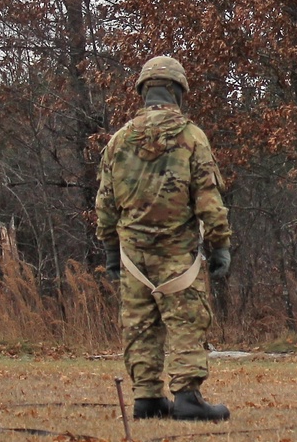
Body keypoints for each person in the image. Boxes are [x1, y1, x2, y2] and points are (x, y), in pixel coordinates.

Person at [95, 56, 232, 422]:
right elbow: (208, 197)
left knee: (140, 323)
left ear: (143, 91)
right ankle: (187, 397)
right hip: (178, 254)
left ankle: (147, 398)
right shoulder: (191, 137)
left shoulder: (119, 140)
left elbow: (106, 202)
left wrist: (111, 248)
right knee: (187, 320)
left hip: (133, 256)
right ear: (177, 92)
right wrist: (220, 245)